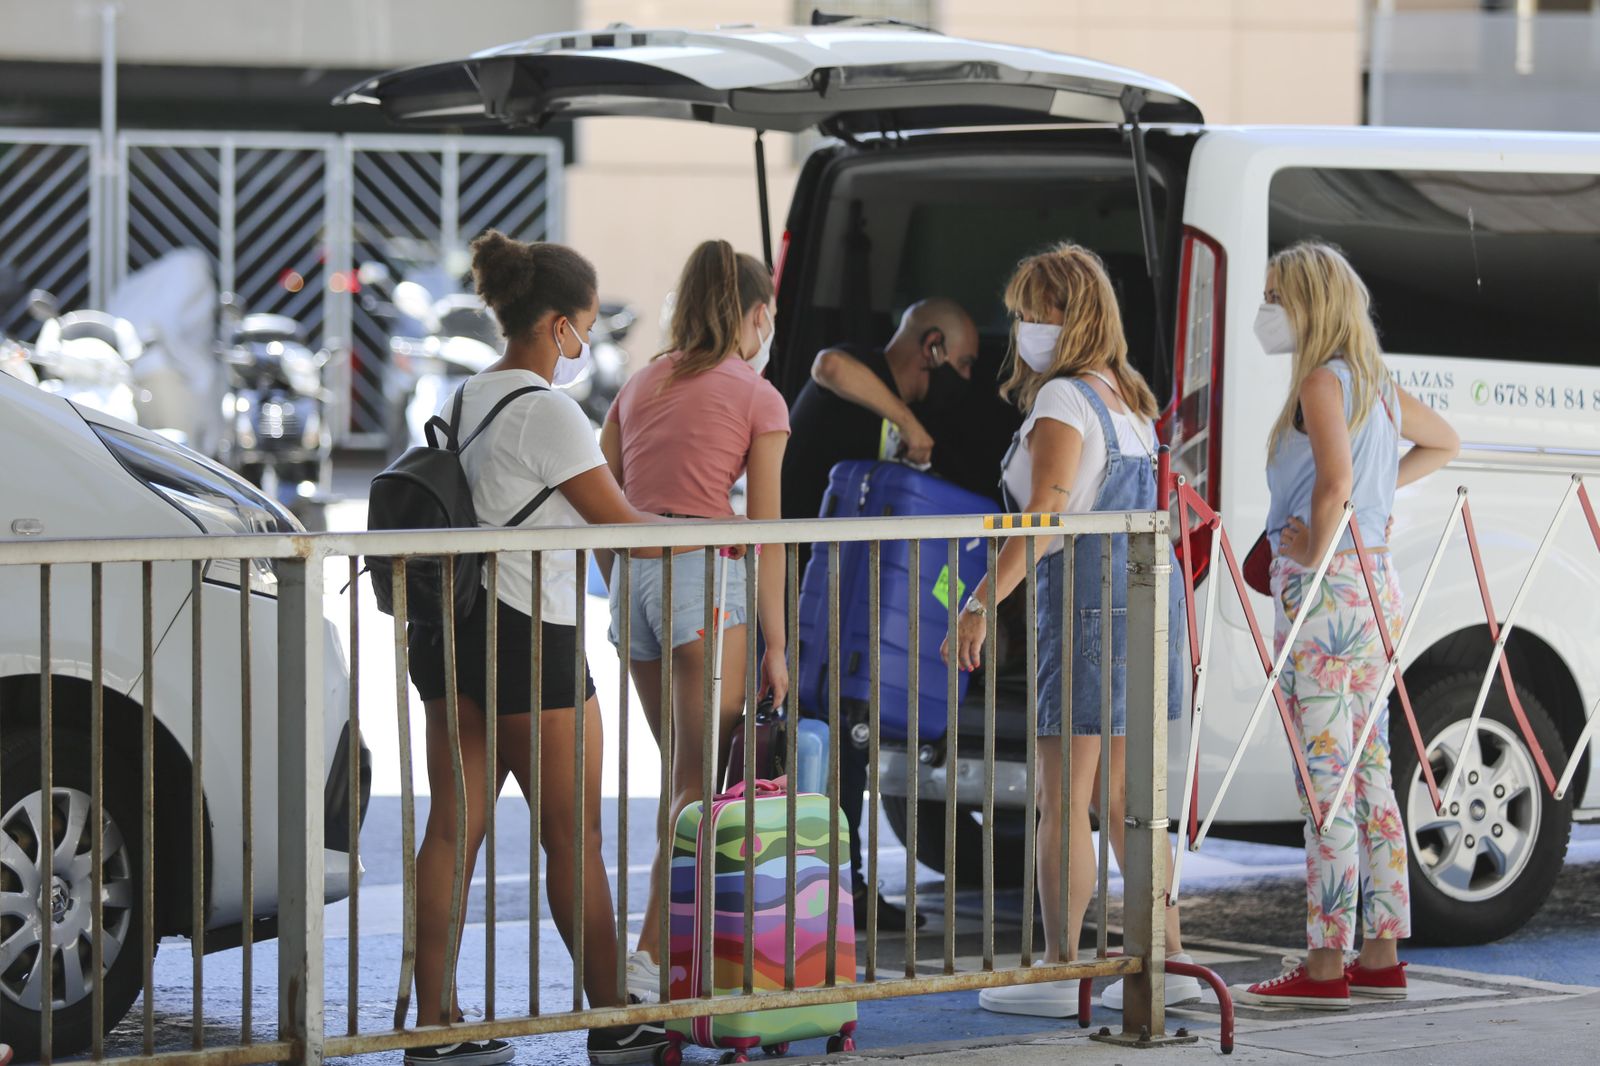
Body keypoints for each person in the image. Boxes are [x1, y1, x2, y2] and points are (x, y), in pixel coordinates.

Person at [405, 230, 668, 1066]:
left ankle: (436, 1024)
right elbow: (623, 532)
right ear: (557, 324)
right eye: (583, 324)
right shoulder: (550, 410)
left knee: (454, 826)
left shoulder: (467, 395)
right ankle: (611, 1019)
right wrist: (718, 530)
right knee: (572, 835)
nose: (585, 341)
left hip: (452, 630)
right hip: (531, 637)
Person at [943, 243, 1202, 1017]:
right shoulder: (1129, 399)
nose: (1021, 326)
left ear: (1067, 317)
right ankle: (1168, 958)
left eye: (1032, 311)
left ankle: (1062, 968)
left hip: (1086, 603)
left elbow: (1044, 517)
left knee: (1066, 798)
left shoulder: (1061, 402)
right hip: (1148, 603)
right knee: (1131, 800)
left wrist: (982, 600)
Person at [1235, 242, 1458, 1009]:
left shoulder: (1321, 381)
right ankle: (1382, 951)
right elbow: (1444, 443)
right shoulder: (1377, 384)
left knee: (1324, 783)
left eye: (1274, 295)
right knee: (1370, 777)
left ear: (1306, 302)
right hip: (1375, 590)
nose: (1266, 309)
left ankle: (1325, 965)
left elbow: (1330, 484)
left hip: (1326, 599)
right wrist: (1372, 508)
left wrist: (1316, 538)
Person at [601, 239, 791, 1002]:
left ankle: (676, 947)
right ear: (753, 313)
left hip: (637, 581)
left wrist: (625, 584)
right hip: (705, 580)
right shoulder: (756, 394)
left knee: (684, 776)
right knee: (695, 783)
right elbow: (768, 531)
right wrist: (777, 644)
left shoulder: (640, 383)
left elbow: (603, 489)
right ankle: (648, 960)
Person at [779, 298, 979, 932]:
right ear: (932, 347)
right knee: (827, 744)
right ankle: (830, 889)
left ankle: (838, 885)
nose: (966, 381)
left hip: (826, 591)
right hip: (791, 582)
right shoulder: (862, 370)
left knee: (841, 747)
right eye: (964, 363)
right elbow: (828, 365)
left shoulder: (887, 402)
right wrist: (906, 423)